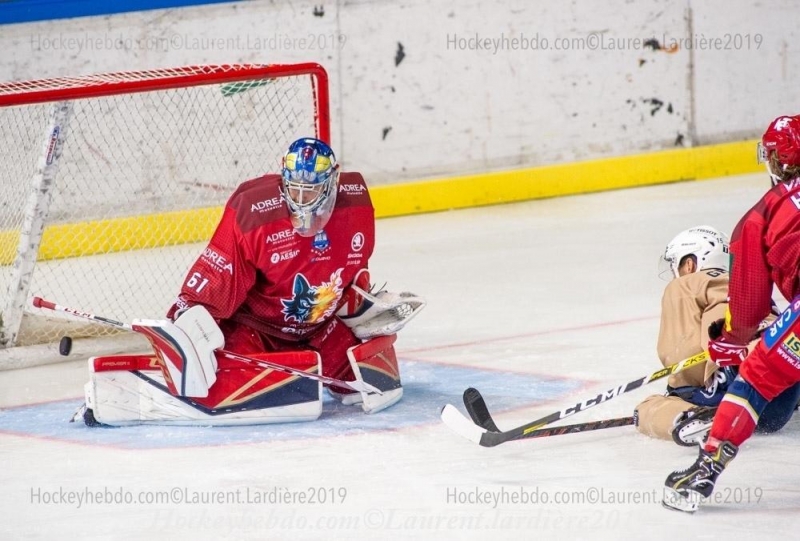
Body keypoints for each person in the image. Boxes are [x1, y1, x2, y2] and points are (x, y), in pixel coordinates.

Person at [78, 138, 425, 426]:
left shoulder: (356, 210)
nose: (302, 202)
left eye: (312, 191)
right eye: (296, 190)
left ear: (332, 184)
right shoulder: (253, 215)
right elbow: (213, 287)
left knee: (376, 387)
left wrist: (363, 307)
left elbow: (350, 274)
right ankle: (135, 395)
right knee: (220, 390)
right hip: (257, 329)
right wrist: (187, 332)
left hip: (317, 328)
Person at [663, 115, 800, 513]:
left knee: (756, 376)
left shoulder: (764, 212)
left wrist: (736, 341)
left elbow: (748, 306)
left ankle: (703, 474)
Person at [635, 226, 796, 446]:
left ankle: (689, 416)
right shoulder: (751, 281)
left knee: (646, 409)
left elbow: (680, 356)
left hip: (737, 380)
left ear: (690, 263)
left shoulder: (686, 283)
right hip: (780, 391)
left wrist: (678, 390)